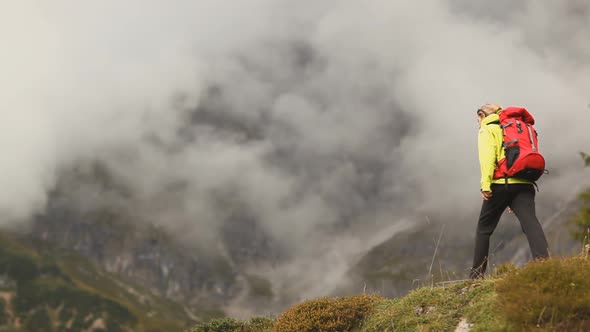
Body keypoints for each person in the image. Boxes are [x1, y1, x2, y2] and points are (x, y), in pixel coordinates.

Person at [470, 104, 549, 279]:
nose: (477, 123)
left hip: (501, 183)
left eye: (478, 119)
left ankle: (476, 276)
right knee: (531, 224)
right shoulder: (518, 126)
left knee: (484, 229)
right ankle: (544, 263)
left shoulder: (488, 128)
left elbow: (487, 158)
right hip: (525, 182)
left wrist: (486, 185)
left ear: (483, 115)